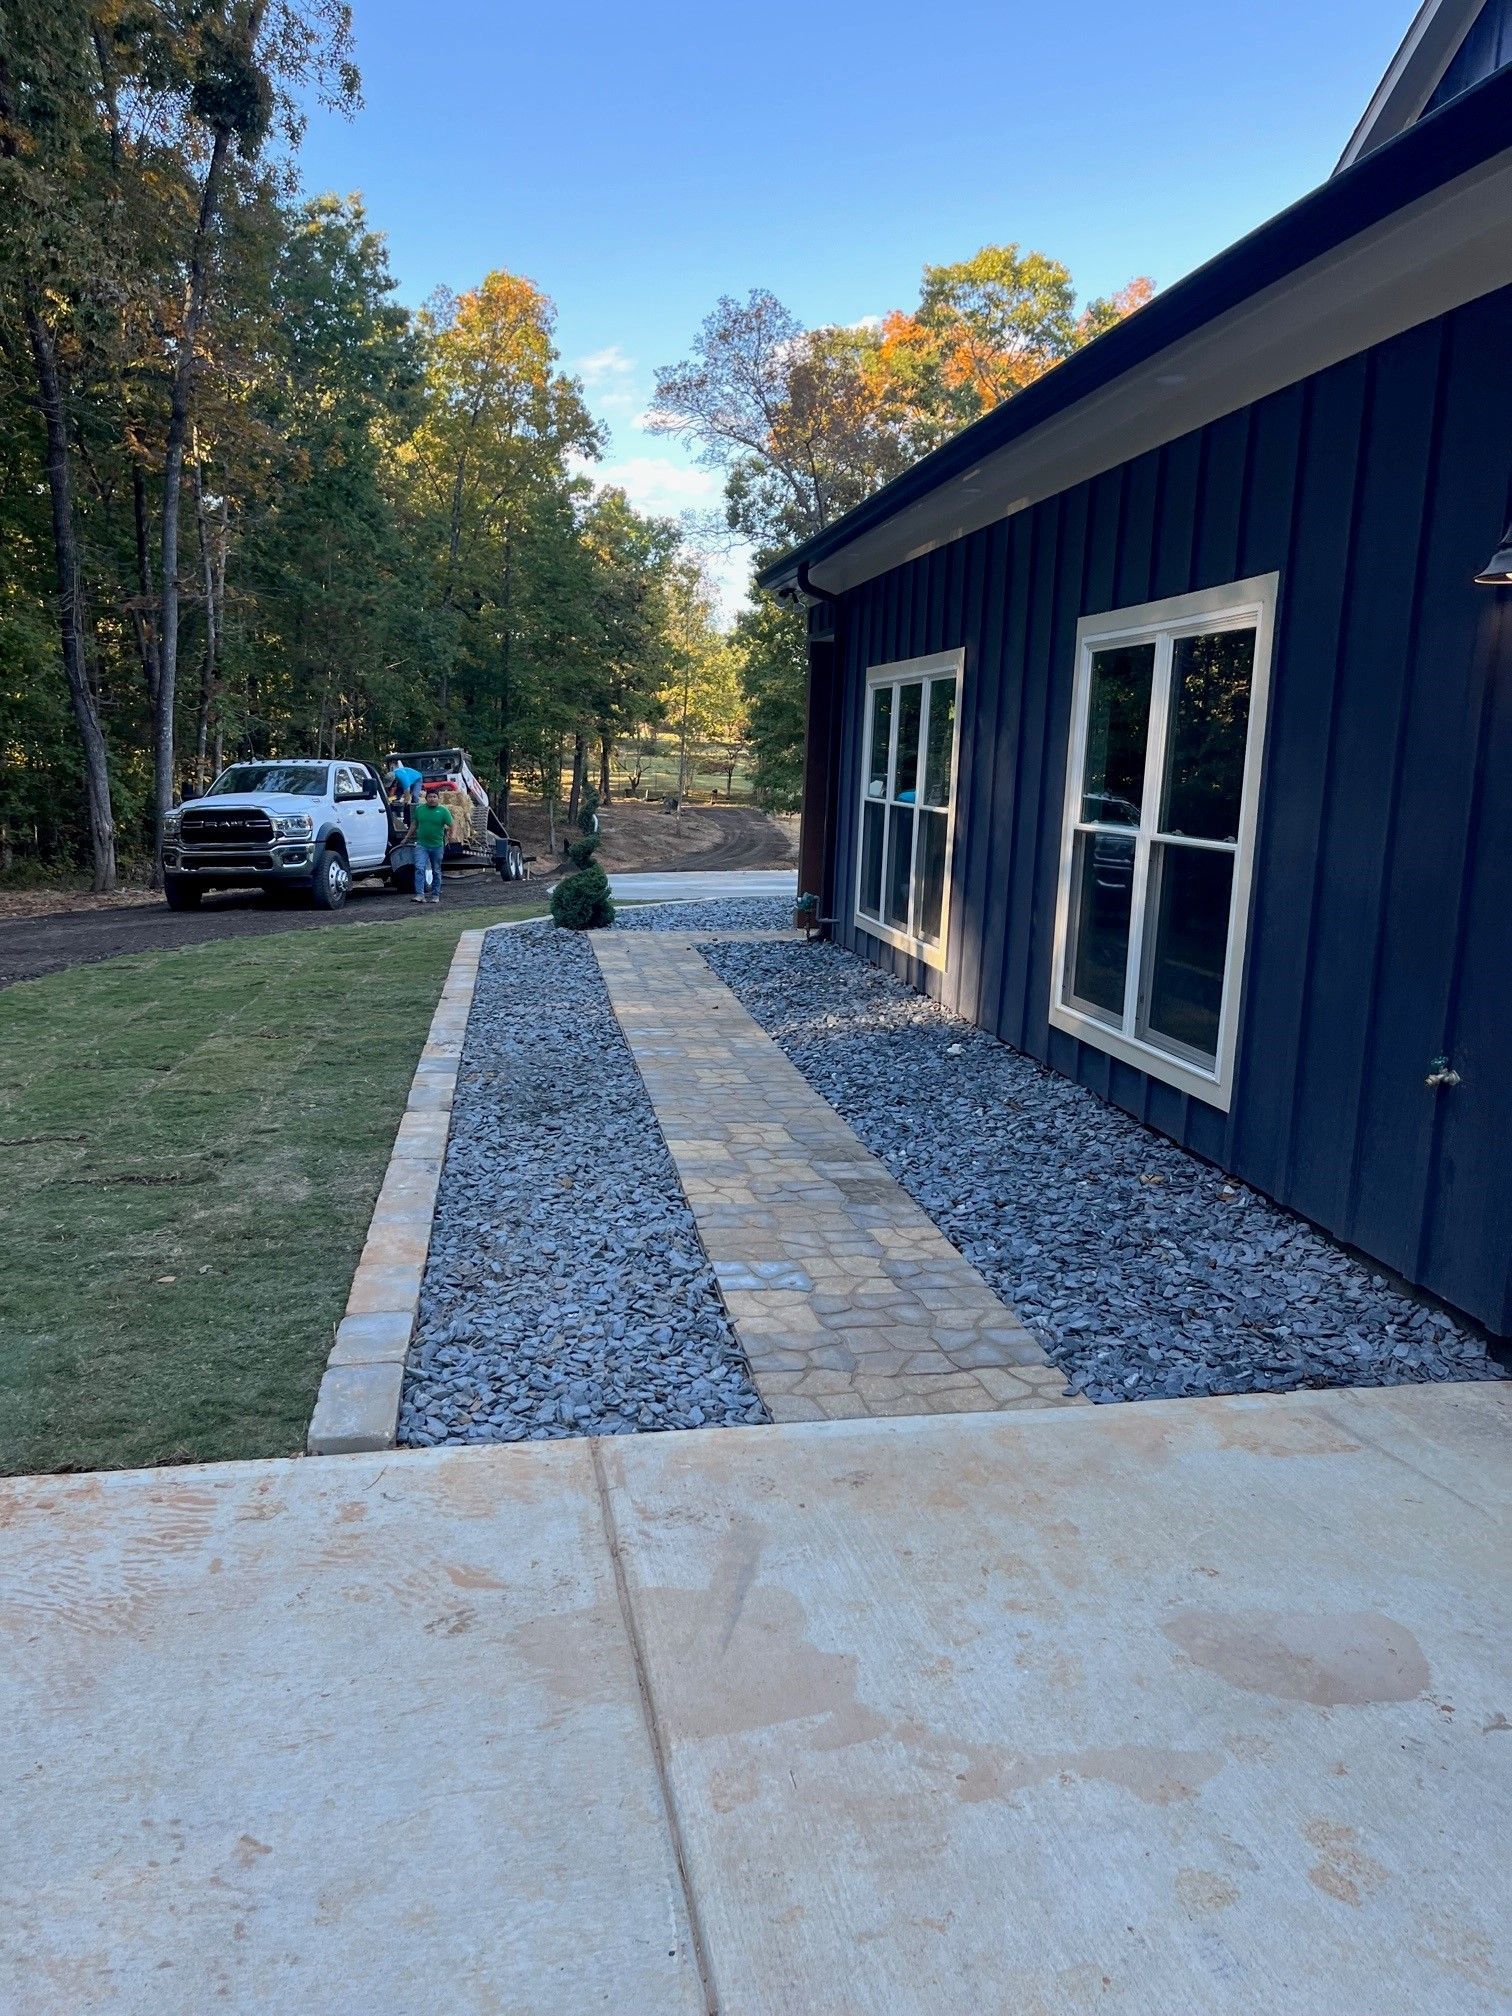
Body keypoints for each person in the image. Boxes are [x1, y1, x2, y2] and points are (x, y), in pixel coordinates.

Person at [411, 787, 453, 905]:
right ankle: (420, 894)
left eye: (434, 797)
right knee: (419, 867)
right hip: (422, 845)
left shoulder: (443, 811)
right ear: (426, 798)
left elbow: (451, 824)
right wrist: (406, 837)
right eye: (430, 797)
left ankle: (435, 895)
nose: (432, 799)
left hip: (437, 845)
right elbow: (414, 824)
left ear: (438, 798)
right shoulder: (420, 810)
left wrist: (450, 836)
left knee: (436, 870)